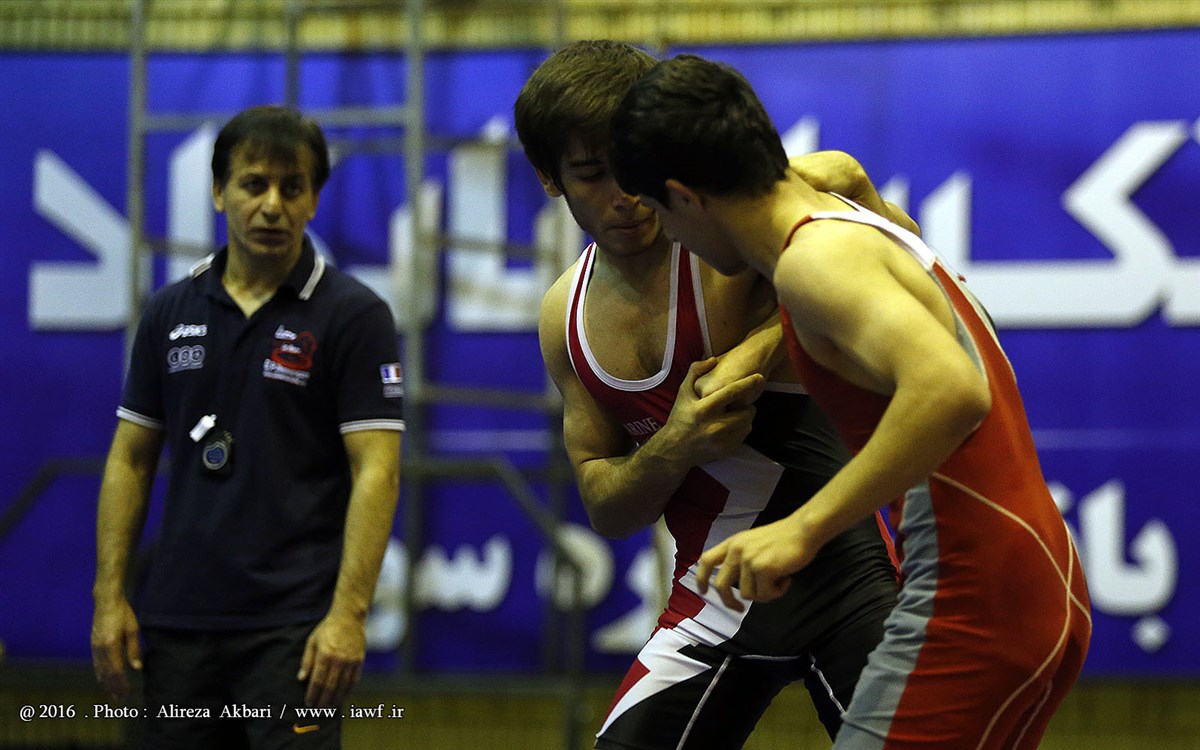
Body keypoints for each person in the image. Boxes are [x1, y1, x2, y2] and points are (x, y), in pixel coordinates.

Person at [609, 53, 1092, 749]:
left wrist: (801, 529)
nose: (673, 239)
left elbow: (953, 388)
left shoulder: (814, 261)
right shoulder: (856, 217)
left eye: (660, 213)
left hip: (970, 600)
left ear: (685, 197)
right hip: (1038, 579)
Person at [516, 40, 903, 749]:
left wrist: (760, 346)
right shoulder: (563, 317)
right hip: (713, 600)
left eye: (633, 165)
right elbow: (606, 507)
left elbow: (898, 261)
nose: (626, 195)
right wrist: (675, 444)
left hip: (846, 578)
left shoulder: (728, 226)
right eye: (593, 174)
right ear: (549, 178)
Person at [90, 105, 404, 749]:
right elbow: (130, 460)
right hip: (175, 623)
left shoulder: (354, 315)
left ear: (314, 199)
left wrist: (348, 616)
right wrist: (109, 597)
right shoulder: (168, 311)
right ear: (218, 192)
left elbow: (377, 470)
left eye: (292, 187)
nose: (271, 206)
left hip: (296, 631)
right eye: (253, 184)